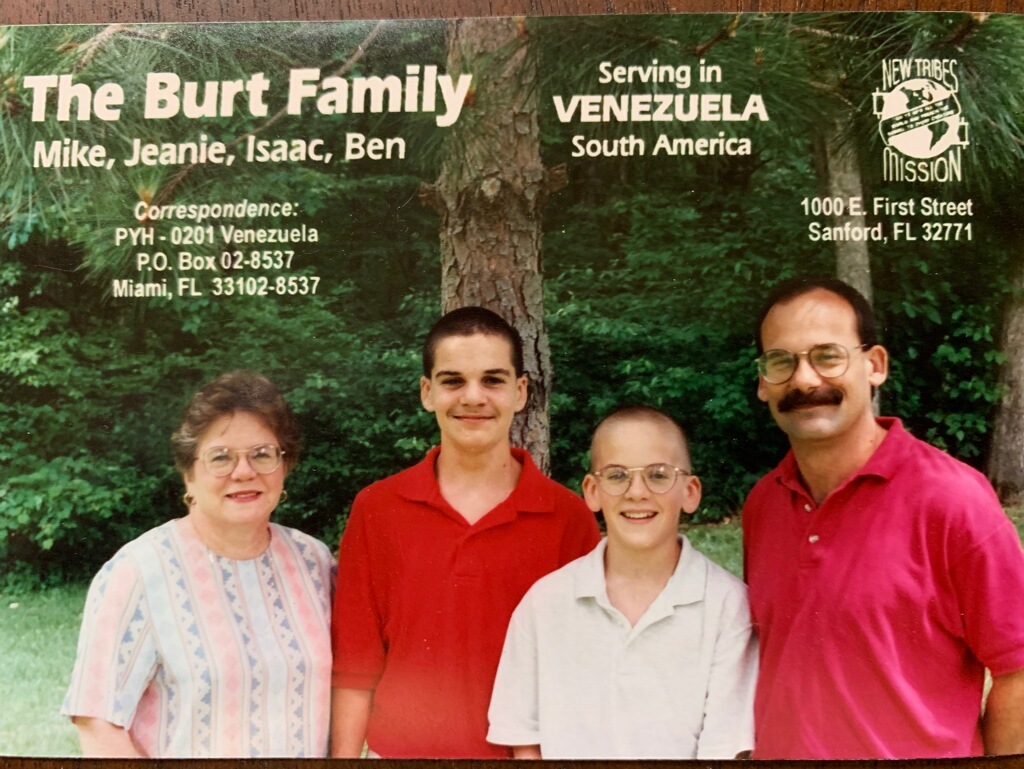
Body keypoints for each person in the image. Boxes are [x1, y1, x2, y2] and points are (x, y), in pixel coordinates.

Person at [743, 276, 1024, 759]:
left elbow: (1019, 673)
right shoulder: (763, 505)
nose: (805, 379)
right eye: (781, 361)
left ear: (874, 366)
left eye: (827, 356)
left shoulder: (952, 499)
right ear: (763, 384)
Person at [330, 306, 600, 758]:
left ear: (520, 393)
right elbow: (356, 670)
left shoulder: (567, 517)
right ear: (427, 392)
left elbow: (582, 675)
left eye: (492, 380)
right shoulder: (377, 508)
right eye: (453, 380)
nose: (473, 397)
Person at [62, 370, 334, 757]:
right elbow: (98, 723)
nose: (244, 472)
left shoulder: (315, 562)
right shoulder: (138, 571)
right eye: (220, 457)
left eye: (262, 454)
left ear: (284, 466)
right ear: (188, 474)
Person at [487, 405, 756, 759]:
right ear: (592, 491)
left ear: (690, 492)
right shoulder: (545, 602)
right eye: (617, 476)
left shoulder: (727, 605)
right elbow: (524, 739)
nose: (637, 492)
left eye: (658, 475)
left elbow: (725, 749)